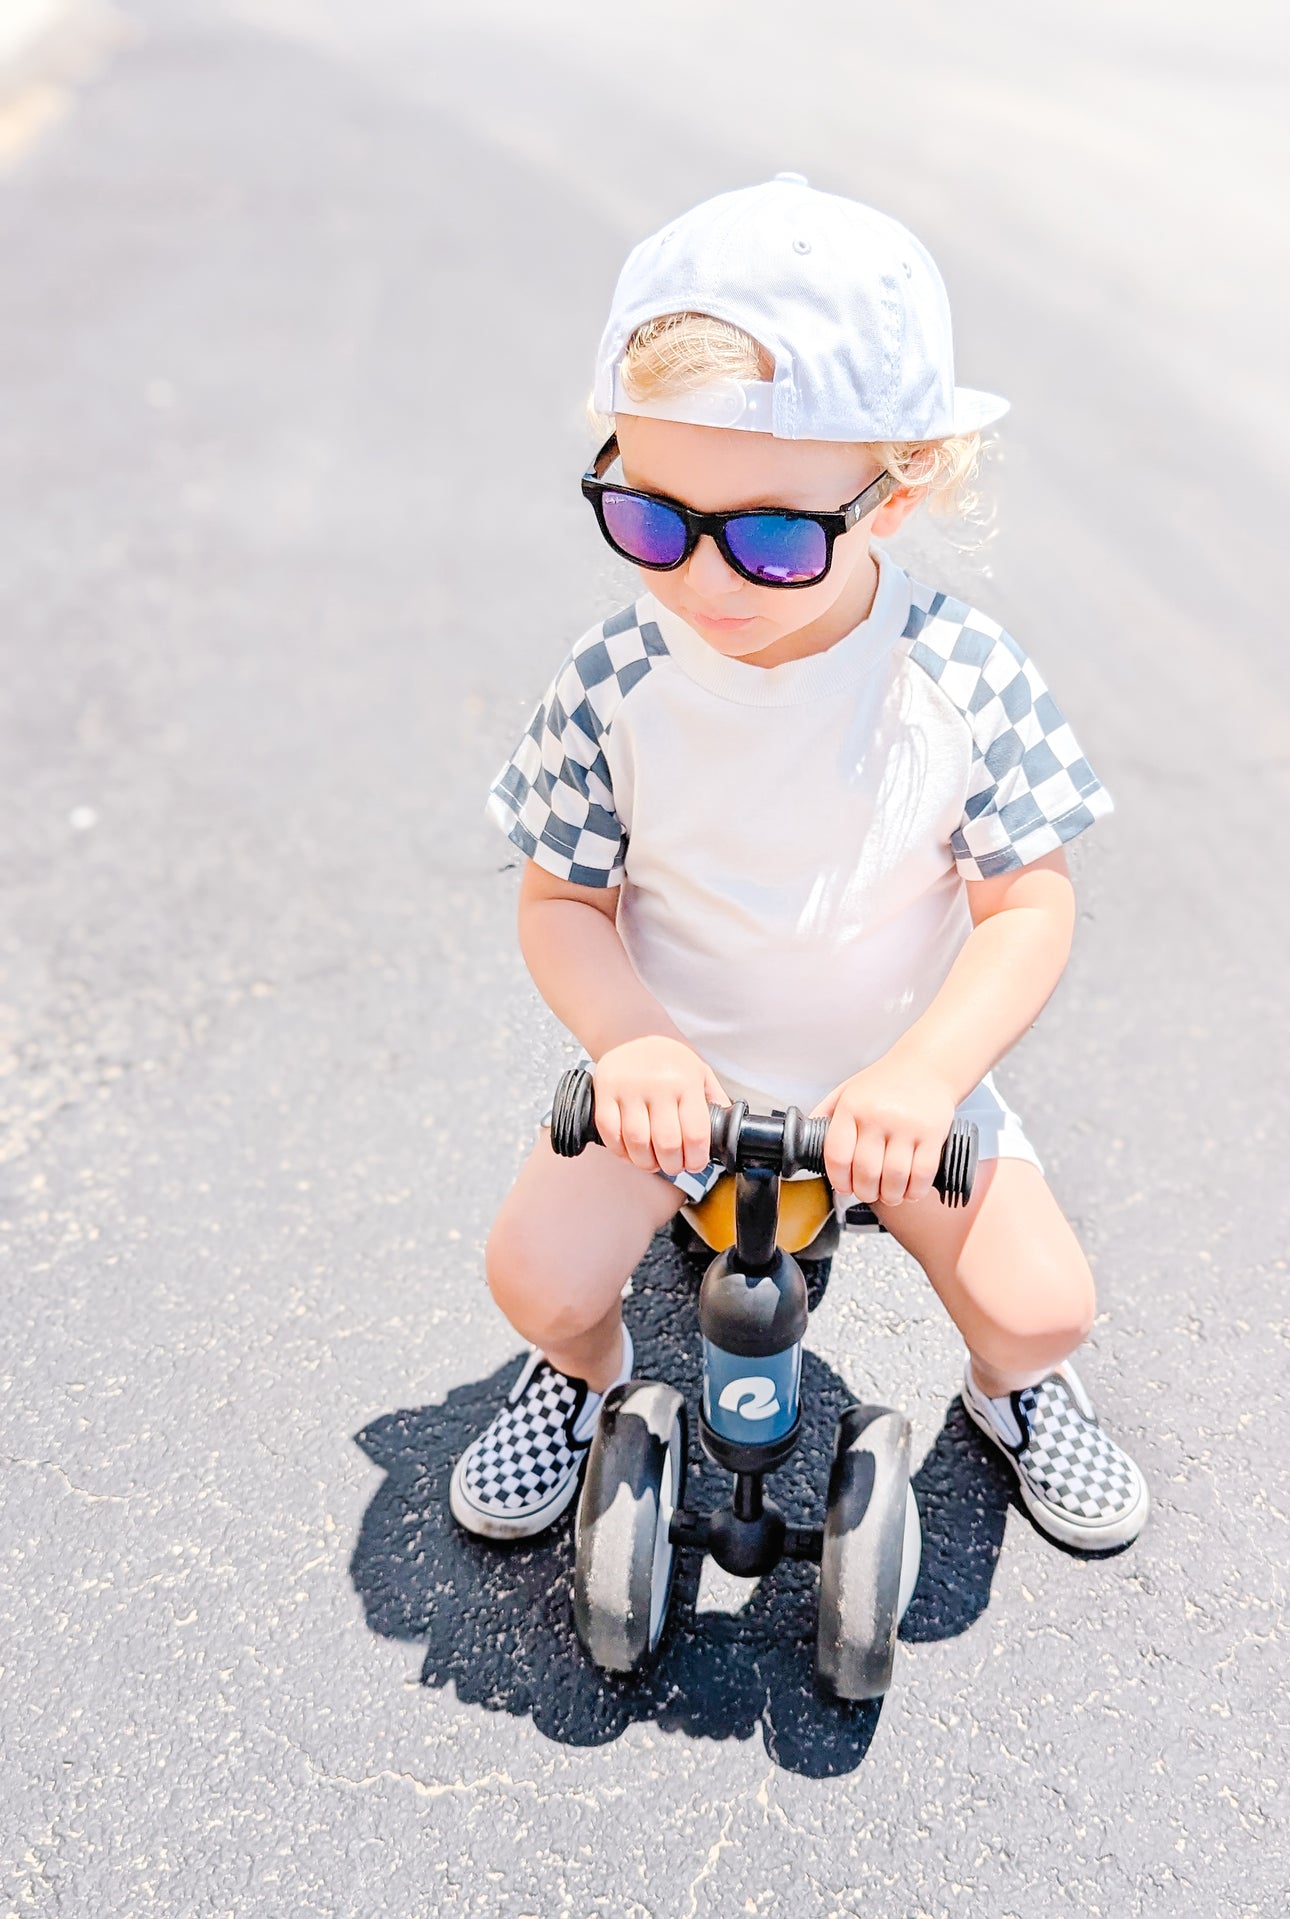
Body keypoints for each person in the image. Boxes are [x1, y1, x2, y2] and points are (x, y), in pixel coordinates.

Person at [449, 174, 1150, 1554]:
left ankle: (1014, 1393)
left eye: (771, 536)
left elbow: (1024, 905)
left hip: (895, 1090)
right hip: (673, 1078)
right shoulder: (615, 680)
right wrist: (632, 1044)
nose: (703, 581)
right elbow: (563, 902)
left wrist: (925, 1073)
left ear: (900, 494)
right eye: (651, 520)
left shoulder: (956, 676)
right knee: (533, 1278)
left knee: (1040, 1306)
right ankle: (582, 1378)